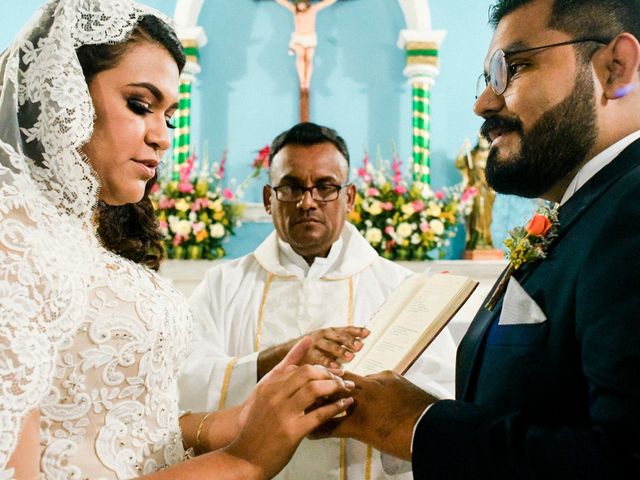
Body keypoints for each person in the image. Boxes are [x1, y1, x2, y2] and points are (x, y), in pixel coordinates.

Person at [0, 1, 353, 478]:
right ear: (65, 94)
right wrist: (244, 460)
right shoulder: (14, 240)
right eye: (140, 105)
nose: (163, 136)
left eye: (169, 114)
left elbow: (125, 428)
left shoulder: (78, 233)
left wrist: (247, 417)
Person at [318, 0, 640, 478]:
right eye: (488, 77)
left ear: (615, 69)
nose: (484, 103)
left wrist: (417, 424)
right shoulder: (587, 210)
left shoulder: (630, 209)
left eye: (514, 68)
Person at [179, 122, 457, 479]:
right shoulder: (222, 285)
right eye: (292, 187)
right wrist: (271, 362)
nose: (307, 201)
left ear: (350, 198)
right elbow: (180, 383)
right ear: (268, 198)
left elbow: (442, 402)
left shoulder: (402, 289)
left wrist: (366, 402)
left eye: (325, 187)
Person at [274, 0, 337, 90]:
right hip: (298, 38)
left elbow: (325, 3)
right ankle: (302, 81)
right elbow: (283, 2)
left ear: (306, 4)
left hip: (310, 38)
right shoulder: (294, 10)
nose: (300, 6)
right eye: (299, 4)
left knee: (308, 59)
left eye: (302, 4)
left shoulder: (313, 9)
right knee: (300, 57)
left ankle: (307, 81)